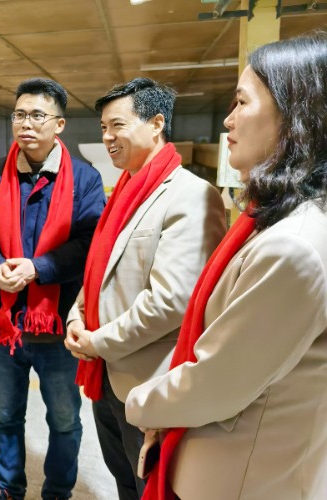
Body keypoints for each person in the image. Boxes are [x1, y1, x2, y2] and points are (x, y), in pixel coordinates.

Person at [125, 31, 327, 500]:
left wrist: (140, 400)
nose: (228, 120)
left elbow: (217, 383)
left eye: (242, 102)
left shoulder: (293, 247)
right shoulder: (279, 218)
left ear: (295, 116)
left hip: (239, 476)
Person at [63, 78, 225, 500]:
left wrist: (97, 341)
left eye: (117, 125)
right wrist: (77, 316)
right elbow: (100, 269)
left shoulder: (190, 196)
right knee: (123, 479)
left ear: (156, 124)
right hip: (106, 375)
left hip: (148, 380)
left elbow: (171, 301)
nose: (107, 137)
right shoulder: (124, 191)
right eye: (103, 127)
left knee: (150, 487)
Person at [0, 77, 106, 500]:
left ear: (59, 124)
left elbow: (90, 242)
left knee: (64, 419)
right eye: (19, 115)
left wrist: (38, 269)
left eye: (37, 115)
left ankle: (57, 491)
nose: (26, 123)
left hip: (56, 324)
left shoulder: (84, 180)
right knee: (6, 415)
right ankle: (10, 488)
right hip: (4, 322)